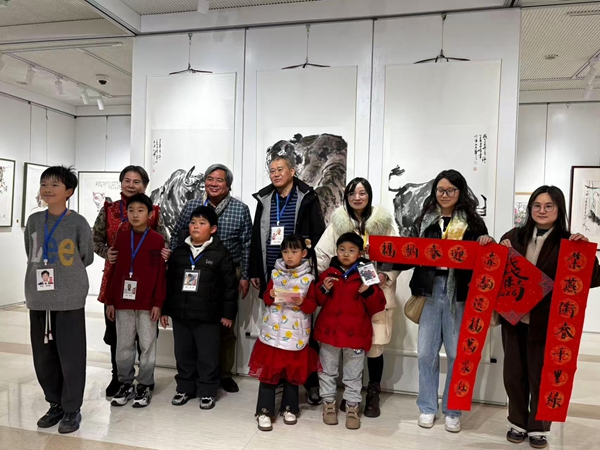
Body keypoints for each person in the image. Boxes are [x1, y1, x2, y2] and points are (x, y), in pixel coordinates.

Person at [499, 186, 600, 449]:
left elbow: (592, 279)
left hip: (548, 322)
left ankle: (539, 427)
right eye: (537, 205)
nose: (542, 211)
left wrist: (585, 252)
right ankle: (517, 423)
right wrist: (496, 248)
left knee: (541, 376)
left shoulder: (568, 241)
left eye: (549, 206)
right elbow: (496, 269)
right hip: (514, 319)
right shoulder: (513, 236)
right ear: (530, 208)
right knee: (514, 374)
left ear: (559, 210)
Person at [404, 169, 491, 433]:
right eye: (440, 190)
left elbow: (485, 256)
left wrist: (486, 241)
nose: (444, 195)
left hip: (459, 293)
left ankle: (453, 410)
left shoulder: (473, 222)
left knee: (456, 354)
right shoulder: (424, 219)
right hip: (429, 290)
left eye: (450, 190)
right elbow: (409, 250)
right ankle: (427, 407)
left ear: (460, 192)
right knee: (426, 353)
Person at [315, 177, 400, 417]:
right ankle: (347, 396)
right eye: (352, 193)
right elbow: (322, 254)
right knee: (343, 347)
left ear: (369, 196)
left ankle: (372, 392)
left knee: (375, 346)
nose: (357, 197)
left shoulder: (384, 223)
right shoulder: (338, 223)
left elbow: (397, 254)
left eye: (362, 193)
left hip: (375, 291)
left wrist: (385, 276)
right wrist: (329, 279)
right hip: (346, 295)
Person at [250, 154, 326, 404]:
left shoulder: (307, 197)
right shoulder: (265, 199)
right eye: (272, 170)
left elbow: (318, 235)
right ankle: (278, 380)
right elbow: (256, 235)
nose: (276, 174)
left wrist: (314, 270)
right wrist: (255, 271)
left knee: (303, 331)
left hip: (300, 275)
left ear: (292, 171)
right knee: (277, 328)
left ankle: (309, 383)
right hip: (274, 272)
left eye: (280, 169)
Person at [170, 164, 252, 394]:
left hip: (228, 273)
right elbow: (178, 234)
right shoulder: (192, 206)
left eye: (219, 180)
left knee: (224, 327)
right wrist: (174, 261)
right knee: (193, 326)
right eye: (210, 179)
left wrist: (245, 275)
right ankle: (195, 375)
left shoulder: (240, 209)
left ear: (228, 185)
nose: (213, 184)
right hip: (194, 271)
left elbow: (247, 244)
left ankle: (222, 373)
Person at [24, 166, 94, 434]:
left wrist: (67, 276)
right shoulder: (33, 220)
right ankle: (54, 403)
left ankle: (72, 408)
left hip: (69, 297)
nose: (47, 189)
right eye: (44, 184)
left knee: (71, 356)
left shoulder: (78, 222)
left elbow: (86, 256)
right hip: (38, 297)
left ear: (69, 192)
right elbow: (30, 252)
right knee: (43, 357)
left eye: (55, 185)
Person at [93, 165, 169, 397]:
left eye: (137, 181)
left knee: (146, 337)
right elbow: (95, 239)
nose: (131, 185)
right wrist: (106, 252)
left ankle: (145, 380)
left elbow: (164, 242)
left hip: (146, 284)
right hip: (116, 279)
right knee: (118, 335)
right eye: (127, 180)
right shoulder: (109, 210)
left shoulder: (155, 211)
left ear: (144, 186)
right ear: (121, 182)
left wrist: (166, 253)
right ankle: (119, 377)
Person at [162, 206, 238, 410]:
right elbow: (169, 283)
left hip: (208, 316)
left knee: (207, 355)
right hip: (181, 313)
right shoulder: (179, 252)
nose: (196, 226)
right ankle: (185, 388)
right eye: (193, 222)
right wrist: (165, 309)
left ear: (213, 229)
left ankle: (207, 390)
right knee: (183, 354)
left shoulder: (221, 253)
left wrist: (228, 314)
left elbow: (230, 287)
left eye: (202, 223)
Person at [314, 233, 386, 430]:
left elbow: (379, 304)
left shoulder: (367, 272)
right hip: (329, 333)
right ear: (336, 251)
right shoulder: (329, 272)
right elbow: (316, 300)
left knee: (353, 375)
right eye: (342, 250)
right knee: (327, 371)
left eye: (351, 250)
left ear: (360, 253)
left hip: (356, 334)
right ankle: (328, 404)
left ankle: (352, 407)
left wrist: (368, 292)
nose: (346, 254)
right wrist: (323, 289)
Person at [249, 235, 319, 432]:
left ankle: (290, 408)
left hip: (295, 336)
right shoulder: (275, 274)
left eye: (294, 251)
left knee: (292, 374)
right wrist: (270, 295)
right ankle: (264, 411)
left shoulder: (308, 279)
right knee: (268, 373)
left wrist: (302, 302)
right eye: (286, 251)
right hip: (272, 334)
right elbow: (266, 298)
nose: (289, 256)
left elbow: (312, 306)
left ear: (303, 253)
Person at [105, 194, 166, 408]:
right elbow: (114, 271)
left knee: (147, 345)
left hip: (147, 304)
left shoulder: (157, 240)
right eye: (131, 210)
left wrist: (158, 303)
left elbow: (160, 274)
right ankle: (125, 383)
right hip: (123, 302)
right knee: (124, 344)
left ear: (150, 214)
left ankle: (145, 384)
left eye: (140, 210)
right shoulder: (122, 238)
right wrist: (110, 300)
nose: (135, 215)